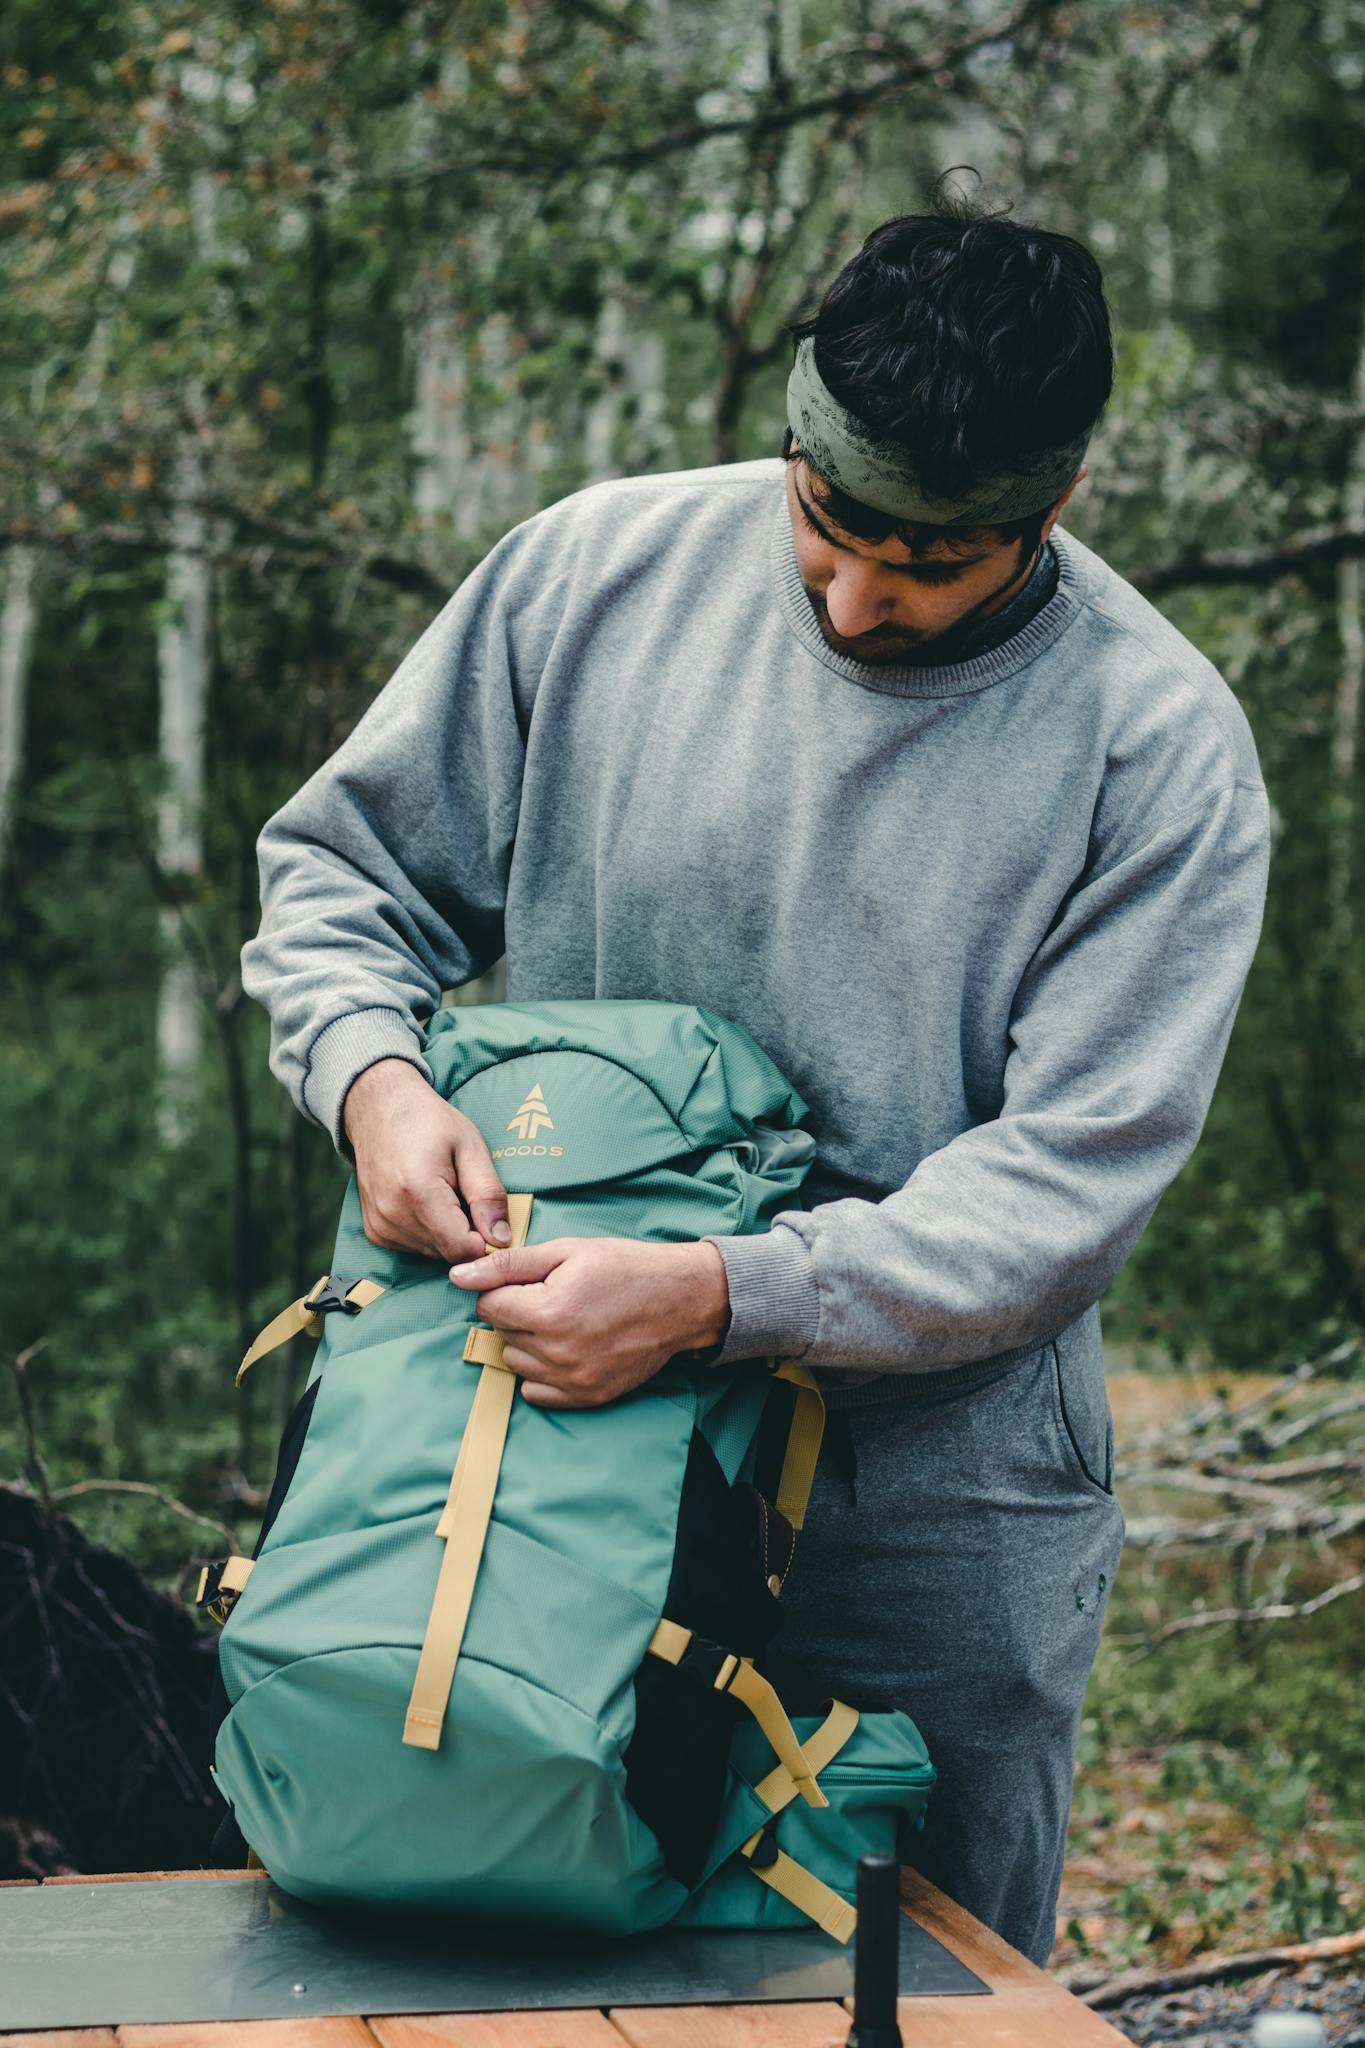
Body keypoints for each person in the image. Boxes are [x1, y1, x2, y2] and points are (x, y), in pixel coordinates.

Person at [240, 177, 1270, 1963]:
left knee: (905, 1993)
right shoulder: (590, 572)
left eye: (933, 561)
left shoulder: (1157, 751)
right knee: (515, 1977)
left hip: (933, 1513)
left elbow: (1070, 1179)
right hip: (559, 1456)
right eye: (826, 523)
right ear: (792, 429)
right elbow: (341, 874)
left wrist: (725, 1292)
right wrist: (370, 1082)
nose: (860, 600)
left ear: (1056, 497)